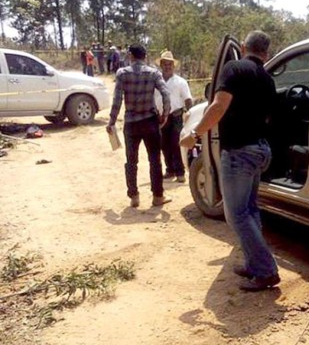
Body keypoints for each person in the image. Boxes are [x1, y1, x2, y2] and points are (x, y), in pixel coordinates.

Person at [180, 31, 279, 291]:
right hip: (260, 151)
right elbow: (268, 118)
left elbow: (218, 106)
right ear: (266, 53)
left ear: (244, 47)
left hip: (239, 153)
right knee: (249, 209)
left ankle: (266, 270)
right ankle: (253, 263)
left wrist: (195, 134)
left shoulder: (233, 68)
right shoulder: (268, 80)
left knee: (235, 214)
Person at [106, 43, 172, 208]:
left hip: (131, 123)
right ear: (145, 56)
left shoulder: (122, 74)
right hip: (150, 121)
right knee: (155, 160)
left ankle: (134, 196)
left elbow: (117, 100)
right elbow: (166, 93)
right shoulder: (153, 73)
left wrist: (112, 121)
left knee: (131, 161)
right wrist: (165, 114)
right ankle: (157, 196)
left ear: (131, 55)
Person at [155, 50, 193, 183]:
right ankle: (169, 170)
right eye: (165, 64)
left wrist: (191, 115)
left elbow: (188, 100)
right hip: (160, 117)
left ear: (173, 66)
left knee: (176, 144)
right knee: (163, 145)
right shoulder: (156, 81)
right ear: (161, 65)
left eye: (170, 64)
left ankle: (180, 172)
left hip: (176, 116)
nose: (167, 66)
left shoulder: (181, 82)